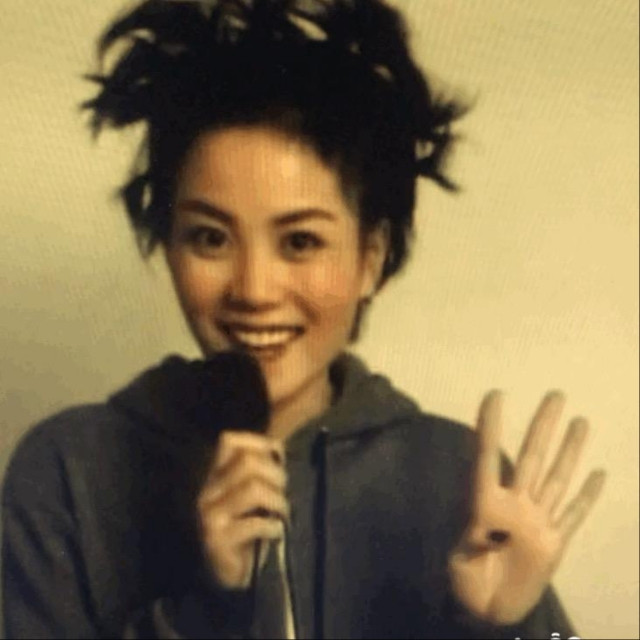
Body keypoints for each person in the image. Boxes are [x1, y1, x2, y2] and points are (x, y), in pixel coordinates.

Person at [1, 0, 605, 638]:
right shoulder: (69, 473)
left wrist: (510, 627)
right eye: (209, 237)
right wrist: (205, 612)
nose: (254, 290)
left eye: (300, 242)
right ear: (168, 243)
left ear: (371, 258)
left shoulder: (460, 477)